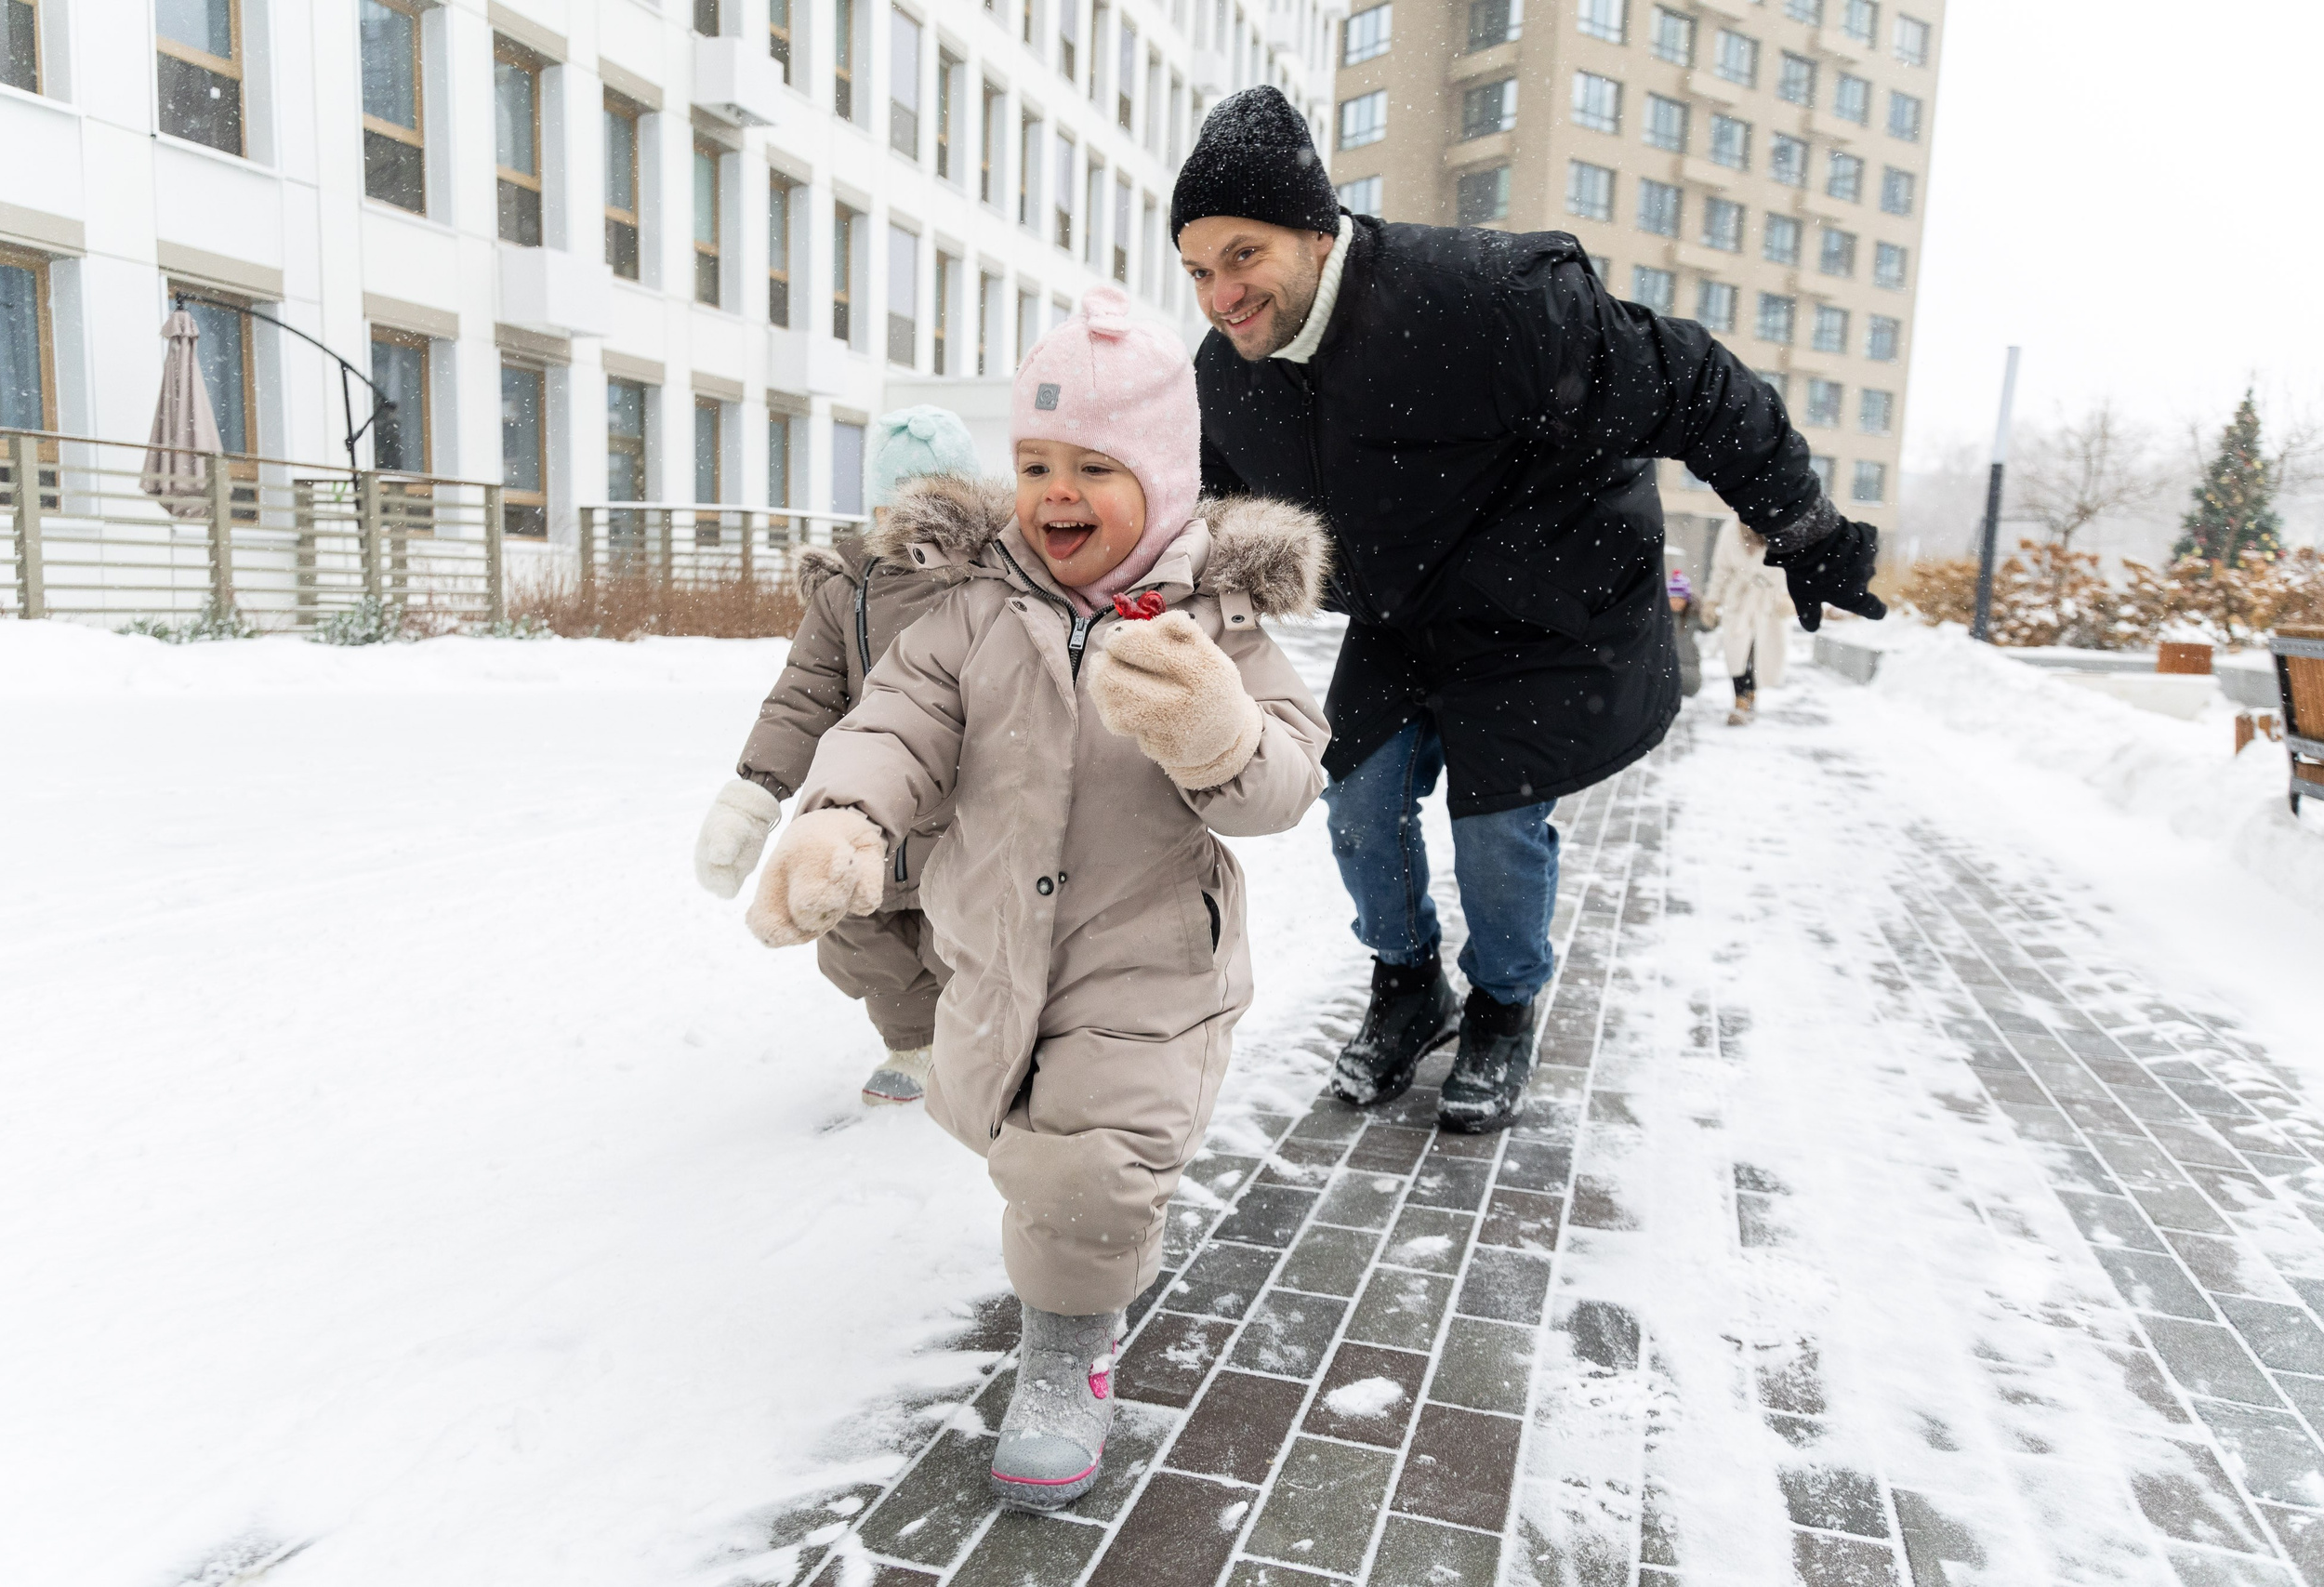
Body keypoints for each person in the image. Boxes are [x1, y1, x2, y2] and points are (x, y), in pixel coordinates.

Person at [1170, 86, 1887, 1133]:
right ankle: (1408, 987)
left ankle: (1504, 1007)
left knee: (1496, 828)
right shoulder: (1230, 382)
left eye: (1243, 255)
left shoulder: (1486, 301)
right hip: (1404, 616)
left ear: (1316, 234)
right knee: (1359, 800)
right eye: (1196, 270)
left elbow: (1689, 381)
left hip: (1544, 605)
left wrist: (1804, 526)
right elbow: (1205, 514)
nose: (1220, 293)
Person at [743, 285, 1330, 1511]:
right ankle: (1073, 1269)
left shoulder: (1212, 620)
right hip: (998, 949)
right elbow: (894, 723)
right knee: (1021, 1140)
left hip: (1152, 963)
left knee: (1089, 1170)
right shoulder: (967, 612)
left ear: (1164, 479)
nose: (1056, 492)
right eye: (1035, 463)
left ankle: (1064, 1353)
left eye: (1094, 467)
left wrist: (1215, 727)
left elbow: (1281, 780)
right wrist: (843, 816)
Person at [693, 404, 992, 1105]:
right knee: (863, 930)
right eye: (897, 509)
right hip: (874, 798)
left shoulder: (991, 582)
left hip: (967, 801)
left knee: (967, 933)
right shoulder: (846, 590)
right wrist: (756, 791)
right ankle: (914, 1044)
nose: (917, 530)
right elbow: (803, 697)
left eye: (937, 508)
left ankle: (980, 1040)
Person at [1701, 524, 1792, 725]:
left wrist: (1789, 597)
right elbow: (1721, 570)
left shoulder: (1781, 527)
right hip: (1739, 599)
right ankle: (1740, 700)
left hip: (1769, 601)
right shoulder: (1730, 530)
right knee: (1736, 654)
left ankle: (1748, 697)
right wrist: (1712, 601)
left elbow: (1793, 567)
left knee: (1759, 653)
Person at [1667, 569, 1703, 699]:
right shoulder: (1663, 616)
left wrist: (1711, 616)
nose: (1676, 602)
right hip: (1668, 658)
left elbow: (1707, 625)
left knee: (1689, 685)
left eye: (1680, 599)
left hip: (1688, 659)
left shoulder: (1692, 616)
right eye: (1673, 598)